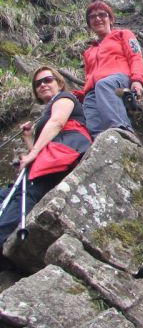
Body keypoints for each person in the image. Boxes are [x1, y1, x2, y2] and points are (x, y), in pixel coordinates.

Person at [0, 66, 92, 248]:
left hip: (64, 154)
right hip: (54, 158)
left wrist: (32, 153)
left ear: (59, 83)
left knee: (24, 195)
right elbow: (43, 151)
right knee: (8, 195)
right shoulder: (48, 111)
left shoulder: (65, 98)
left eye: (47, 80)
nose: (42, 85)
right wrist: (29, 139)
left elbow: (58, 123)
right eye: (37, 84)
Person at [79, 0, 143, 137]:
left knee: (104, 85)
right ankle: (101, 144)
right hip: (94, 89)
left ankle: (123, 130)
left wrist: (137, 80)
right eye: (92, 17)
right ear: (89, 24)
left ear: (111, 19)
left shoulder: (123, 35)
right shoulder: (89, 51)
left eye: (102, 15)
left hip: (119, 84)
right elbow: (88, 75)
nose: (97, 18)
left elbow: (135, 56)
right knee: (90, 106)